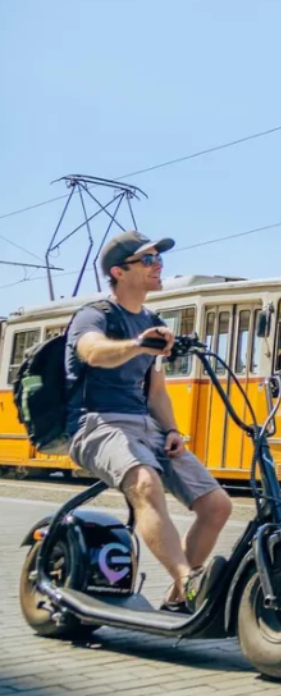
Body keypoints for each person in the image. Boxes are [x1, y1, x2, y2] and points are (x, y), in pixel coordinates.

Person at [66, 231, 234, 613]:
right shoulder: (95, 315)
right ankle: (187, 578)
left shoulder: (153, 320)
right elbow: (93, 352)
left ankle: (177, 602)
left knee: (217, 505)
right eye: (148, 260)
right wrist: (137, 344)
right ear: (118, 272)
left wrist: (172, 429)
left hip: (146, 424)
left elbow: (156, 390)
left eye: (159, 259)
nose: (159, 266)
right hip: (96, 423)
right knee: (145, 482)